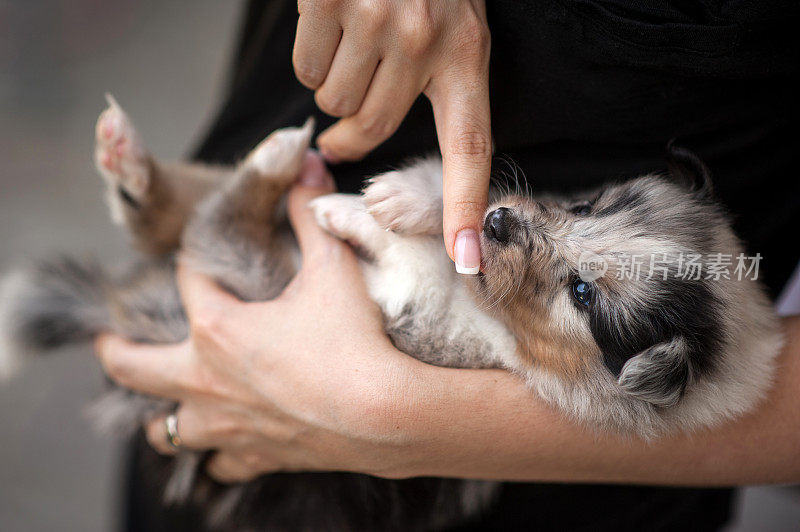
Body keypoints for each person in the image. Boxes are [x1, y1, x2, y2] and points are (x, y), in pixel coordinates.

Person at [96, 1, 800, 530]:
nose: (530, 223)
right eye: (584, 209)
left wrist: (423, 418)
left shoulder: (652, 356)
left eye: (581, 289)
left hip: (545, 488)